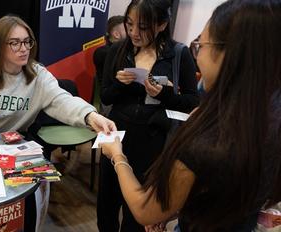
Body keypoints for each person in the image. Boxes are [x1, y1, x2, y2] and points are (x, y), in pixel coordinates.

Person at [101, 0, 281, 231]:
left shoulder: (206, 138)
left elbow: (145, 210)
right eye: (129, 24)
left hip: (148, 143)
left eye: (200, 45)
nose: (135, 32)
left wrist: (117, 155)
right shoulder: (267, 116)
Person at [98, 0, 199, 231]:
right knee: (107, 206)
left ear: (162, 24)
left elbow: (192, 102)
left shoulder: (178, 54)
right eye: (129, 24)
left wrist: (164, 93)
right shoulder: (117, 50)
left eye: (143, 27)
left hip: (153, 141)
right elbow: (105, 97)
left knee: (138, 213)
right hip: (115, 134)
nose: (134, 33)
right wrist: (120, 83)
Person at [0, 15, 116, 137]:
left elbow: (62, 100)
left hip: (15, 142)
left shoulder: (39, 74)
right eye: (15, 43)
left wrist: (90, 116)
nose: (24, 49)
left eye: (26, 41)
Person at [93, 15, 127, 116]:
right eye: (127, 29)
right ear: (116, 34)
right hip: (110, 101)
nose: (132, 32)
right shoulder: (103, 52)